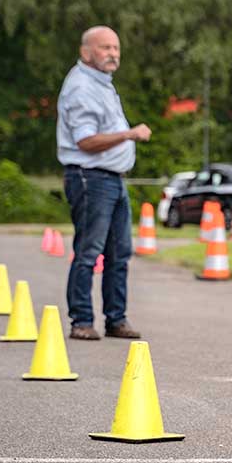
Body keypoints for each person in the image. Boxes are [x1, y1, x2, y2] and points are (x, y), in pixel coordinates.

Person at [56, 25, 152, 340]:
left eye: (116, 48)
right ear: (86, 52)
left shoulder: (102, 84)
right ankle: (82, 320)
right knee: (89, 250)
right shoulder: (82, 87)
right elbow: (85, 141)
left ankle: (116, 318)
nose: (112, 54)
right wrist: (129, 134)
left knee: (119, 252)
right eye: (104, 48)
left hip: (111, 179)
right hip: (91, 178)